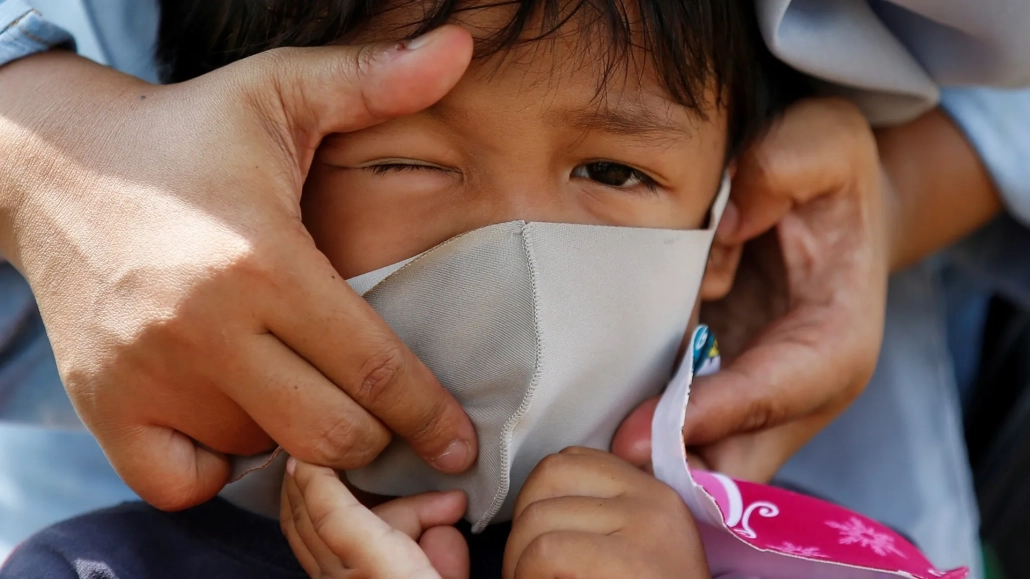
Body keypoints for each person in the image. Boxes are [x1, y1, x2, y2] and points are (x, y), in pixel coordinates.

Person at [0, 1, 823, 576]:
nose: (517, 244)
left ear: (724, 235)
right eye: (409, 161)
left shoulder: (817, 556)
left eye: (612, 171)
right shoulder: (87, 569)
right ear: (243, 182)